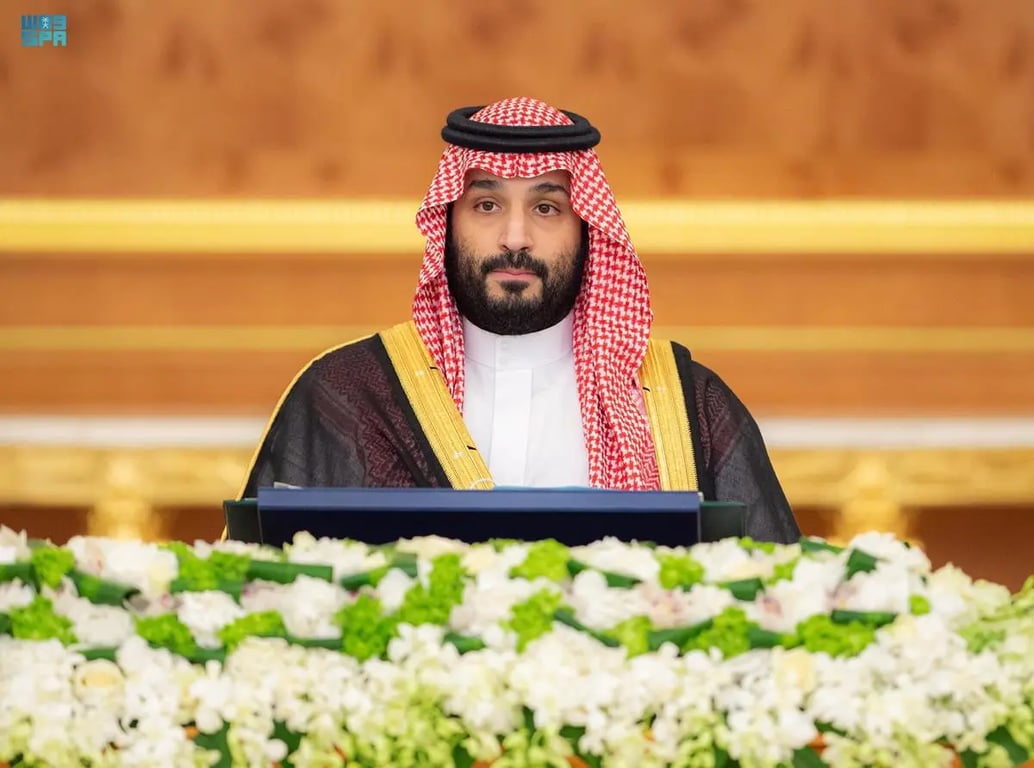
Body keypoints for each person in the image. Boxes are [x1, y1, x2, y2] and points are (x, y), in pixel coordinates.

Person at [237, 97, 800, 543]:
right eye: (486, 205)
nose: (514, 237)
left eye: (546, 208)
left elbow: (773, 599)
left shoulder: (688, 405)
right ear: (448, 222)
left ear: (588, 231)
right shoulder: (349, 393)